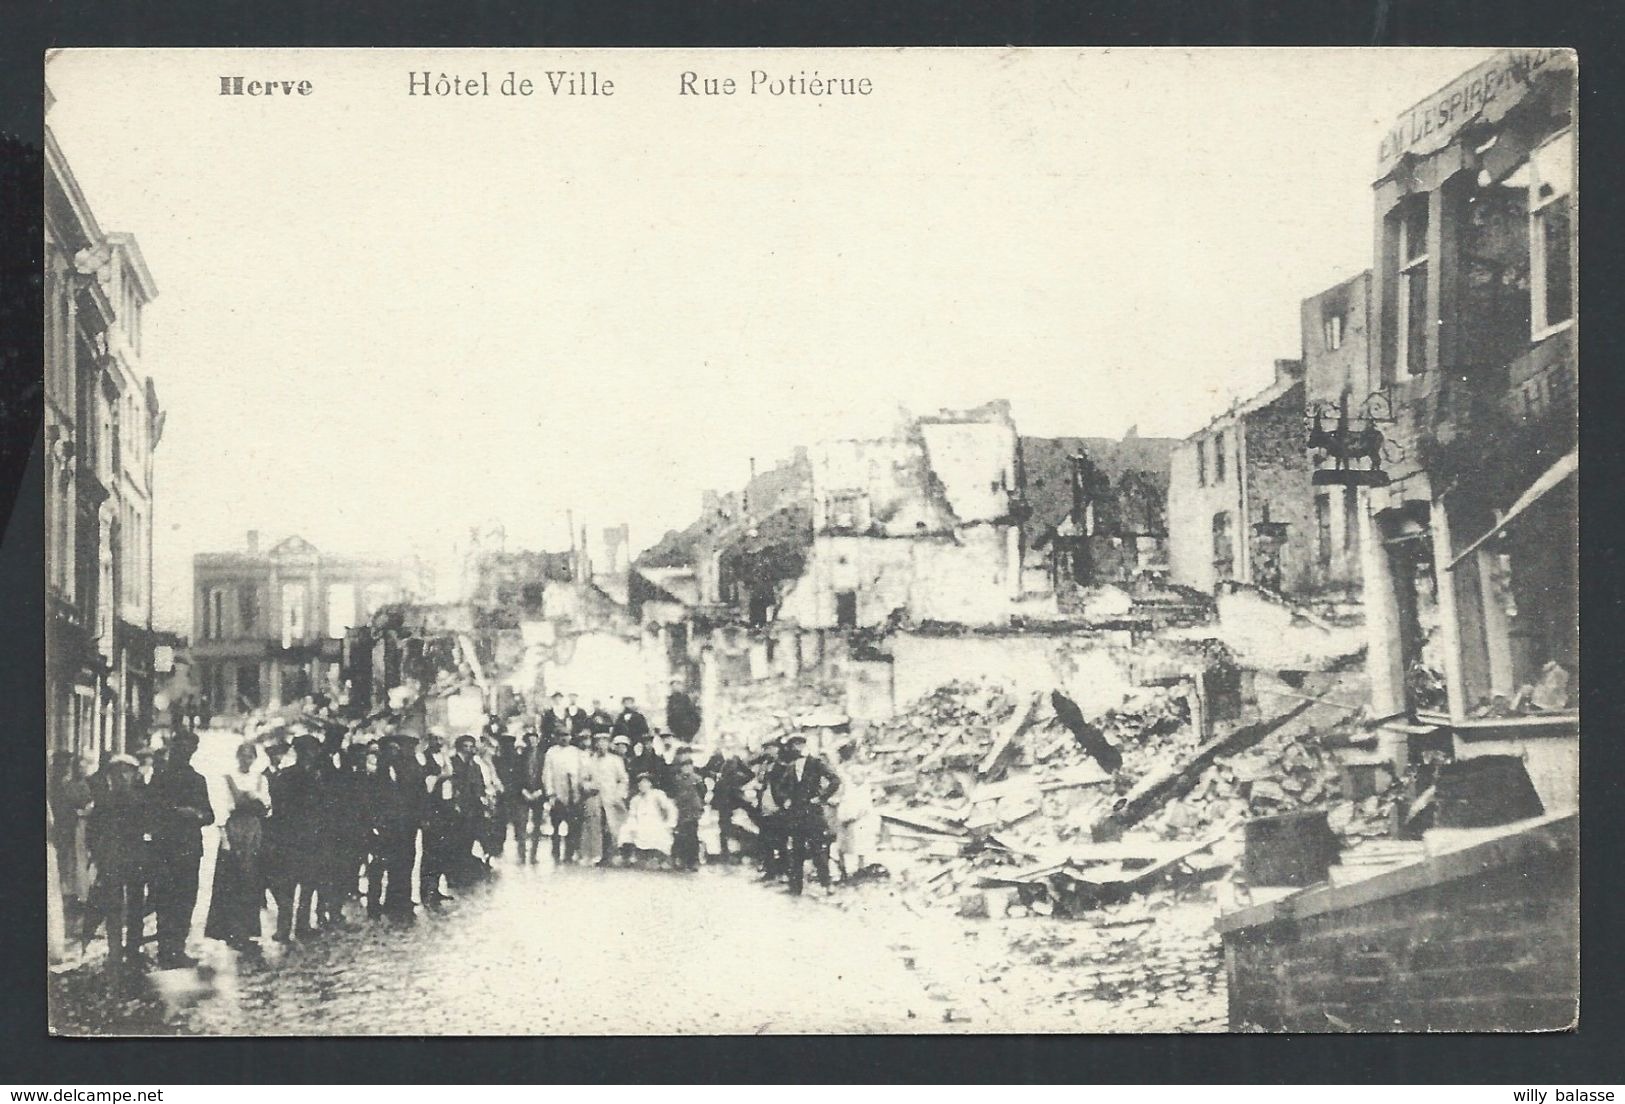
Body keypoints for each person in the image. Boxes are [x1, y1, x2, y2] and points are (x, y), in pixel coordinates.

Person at [147, 730, 214, 967]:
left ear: (193, 752)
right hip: (165, 848)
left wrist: (194, 814)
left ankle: (178, 948)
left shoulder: (198, 780)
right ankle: (167, 951)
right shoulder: (160, 778)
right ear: (173, 748)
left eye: (189, 749)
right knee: (165, 899)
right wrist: (174, 813)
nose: (184, 753)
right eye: (180, 748)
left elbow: (209, 816)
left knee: (186, 899)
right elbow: (150, 811)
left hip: (190, 849)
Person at [86, 754, 153, 968]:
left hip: (135, 856)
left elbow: (150, 827)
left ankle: (133, 947)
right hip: (111, 857)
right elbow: (93, 829)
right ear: (111, 776)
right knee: (112, 904)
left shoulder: (142, 799)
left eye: (127, 771)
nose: (122, 776)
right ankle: (114, 949)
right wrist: (96, 854)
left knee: (135, 904)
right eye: (117, 772)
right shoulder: (104, 800)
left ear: (135, 775)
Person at [205, 742, 271, 951]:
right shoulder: (228, 779)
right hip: (234, 830)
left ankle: (249, 931)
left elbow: (268, 808)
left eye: (250, 756)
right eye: (243, 755)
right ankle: (232, 931)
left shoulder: (261, 780)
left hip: (253, 831)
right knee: (232, 881)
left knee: (251, 880)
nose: (246, 759)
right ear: (237, 757)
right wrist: (225, 839)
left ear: (254, 758)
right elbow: (223, 811)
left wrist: (257, 798)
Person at [266, 735, 325, 941]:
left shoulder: (317, 776)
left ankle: (303, 925)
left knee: (308, 882)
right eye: (310, 750)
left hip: (311, 836)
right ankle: (284, 927)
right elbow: (280, 808)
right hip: (292, 836)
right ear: (301, 752)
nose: (314, 754)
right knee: (288, 884)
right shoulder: (287, 776)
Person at [769, 735, 839, 896]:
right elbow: (779, 788)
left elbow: (835, 780)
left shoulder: (816, 763)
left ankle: (827, 883)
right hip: (796, 814)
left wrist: (821, 797)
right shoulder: (791, 767)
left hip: (812, 813)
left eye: (800, 745)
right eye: (795, 745)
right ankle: (796, 887)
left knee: (818, 850)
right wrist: (784, 800)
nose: (798, 748)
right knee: (797, 850)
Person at [376, 734, 421, 918]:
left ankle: (403, 898)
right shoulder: (383, 769)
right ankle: (393, 901)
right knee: (394, 861)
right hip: (391, 823)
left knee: (408, 858)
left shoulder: (408, 766)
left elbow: (418, 792)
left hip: (407, 821)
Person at [49, 752, 95, 915]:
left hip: (77, 826)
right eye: (77, 767)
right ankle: (68, 893)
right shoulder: (62, 785)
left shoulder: (85, 784)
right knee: (67, 859)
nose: (79, 770)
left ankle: (76, 894)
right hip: (66, 826)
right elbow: (64, 806)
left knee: (76, 860)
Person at [578, 733, 628, 867]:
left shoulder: (615, 760)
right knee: (594, 826)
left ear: (609, 744)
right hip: (594, 799)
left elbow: (623, 780)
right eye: (599, 742)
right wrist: (589, 787)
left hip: (611, 799)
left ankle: (611, 855)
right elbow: (583, 780)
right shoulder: (590, 761)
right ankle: (596, 855)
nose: (602, 745)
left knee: (611, 827)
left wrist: (618, 795)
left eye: (605, 742)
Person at [706, 741, 757, 864]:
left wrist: (739, 781)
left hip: (733, 793)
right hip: (722, 793)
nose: (729, 747)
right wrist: (716, 776)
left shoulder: (736, 758)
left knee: (747, 815)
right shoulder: (716, 757)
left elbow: (750, 774)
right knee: (723, 823)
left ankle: (745, 845)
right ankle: (725, 852)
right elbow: (706, 771)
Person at [542, 730, 585, 863]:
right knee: (556, 826)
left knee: (572, 826)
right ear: (556, 737)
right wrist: (550, 793)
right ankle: (555, 853)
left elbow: (581, 771)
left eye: (567, 736)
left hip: (573, 794)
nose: (564, 739)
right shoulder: (551, 752)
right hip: (557, 794)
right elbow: (547, 773)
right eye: (561, 736)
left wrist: (578, 790)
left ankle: (569, 854)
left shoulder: (576, 752)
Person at [620, 775, 678, 865]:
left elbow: (669, 808)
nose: (642, 785)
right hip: (640, 823)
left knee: (655, 832)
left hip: (655, 821)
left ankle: (659, 858)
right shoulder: (635, 799)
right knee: (625, 830)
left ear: (650, 784)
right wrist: (632, 826)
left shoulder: (657, 794)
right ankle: (630, 857)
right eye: (640, 782)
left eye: (645, 782)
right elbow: (632, 815)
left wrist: (670, 824)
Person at [668, 751, 707, 872]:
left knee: (692, 835)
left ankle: (693, 861)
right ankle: (681, 859)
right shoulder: (677, 779)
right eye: (684, 766)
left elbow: (703, 792)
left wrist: (699, 805)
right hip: (682, 810)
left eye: (689, 765)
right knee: (681, 835)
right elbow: (674, 793)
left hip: (693, 810)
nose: (686, 768)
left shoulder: (697, 779)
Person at [665, 679, 702, 745]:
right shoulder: (671, 700)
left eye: (677, 685)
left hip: (686, 727)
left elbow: (692, 712)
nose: (675, 688)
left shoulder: (685, 698)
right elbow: (669, 715)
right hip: (676, 728)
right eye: (673, 686)